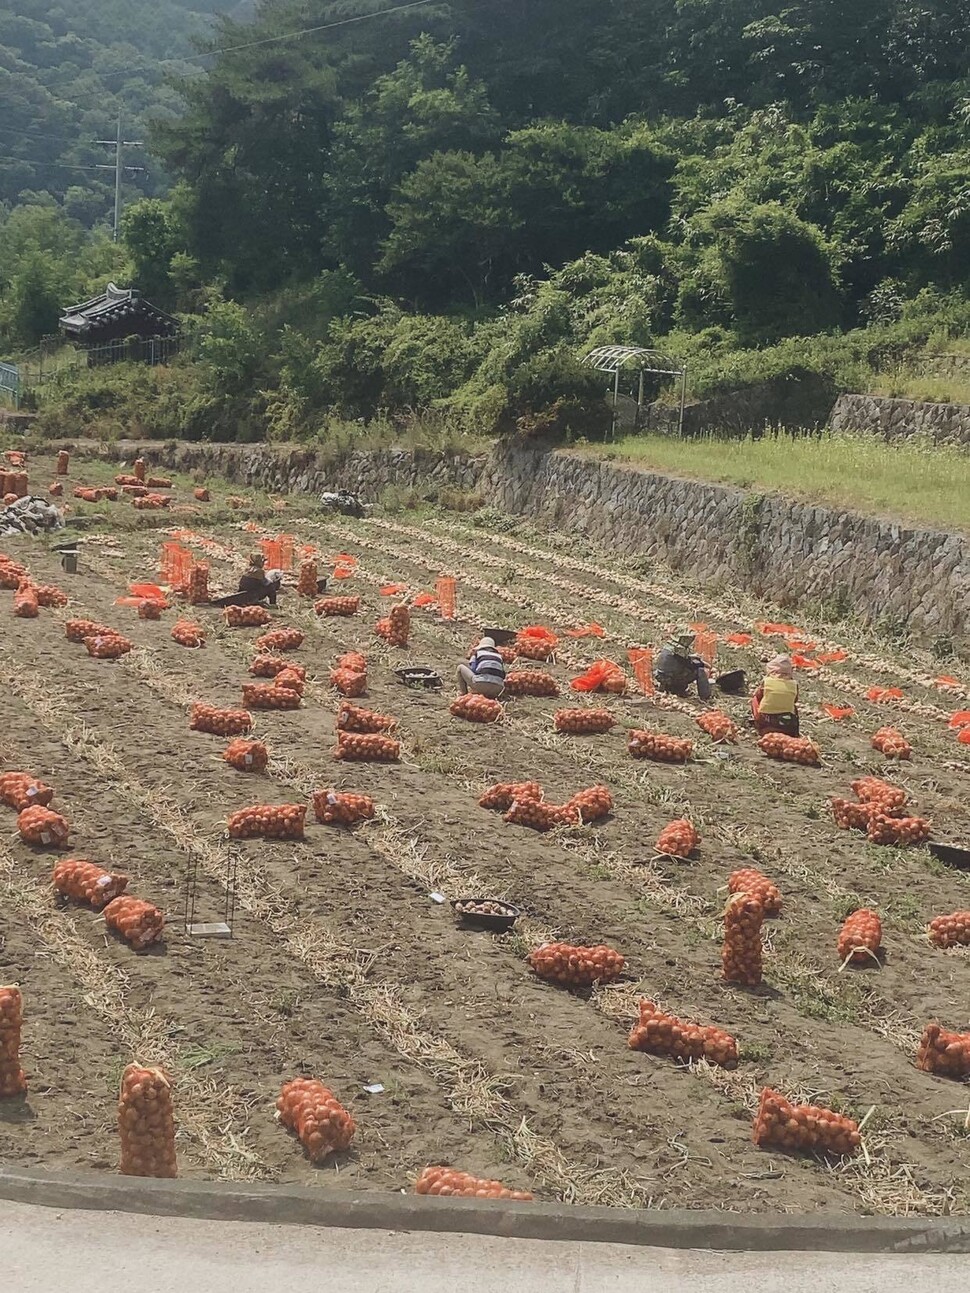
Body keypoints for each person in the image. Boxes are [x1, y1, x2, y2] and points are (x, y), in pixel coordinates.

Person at [654, 630, 712, 700]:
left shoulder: (669, 648)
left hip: (660, 676)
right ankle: (705, 697)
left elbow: (680, 659)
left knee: (678, 670)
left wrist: (691, 657)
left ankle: (670, 688)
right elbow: (691, 665)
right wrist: (702, 663)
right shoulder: (679, 652)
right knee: (700, 671)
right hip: (671, 679)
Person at [210, 553, 283, 608]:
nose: (263, 563)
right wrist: (272, 581)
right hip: (253, 593)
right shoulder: (259, 571)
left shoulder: (248, 569)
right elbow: (265, 583)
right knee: (271, 587)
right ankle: (273, 604)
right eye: (262, 561)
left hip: (245, 589)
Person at [751, 654, 800, 736]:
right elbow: (795, 700)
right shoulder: (794, 684)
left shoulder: (767, 681)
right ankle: (791, 728)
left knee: (754, 699)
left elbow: (759, 696)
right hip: (787, 721)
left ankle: (759, 724)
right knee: (793, 706)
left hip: (766, 720)